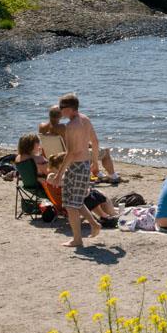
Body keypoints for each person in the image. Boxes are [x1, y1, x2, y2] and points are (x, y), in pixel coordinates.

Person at [52, 93, 101, 247]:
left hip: (76, 166)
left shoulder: (71, 126)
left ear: (71, 109)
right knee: (76, 200)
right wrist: (95, 163)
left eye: (62, 108)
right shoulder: (85, 119)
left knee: (70, 204)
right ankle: (94, 224)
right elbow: (95, 141)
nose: (60, 111)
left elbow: (71, 153)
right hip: (85, 164)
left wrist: (59, 174)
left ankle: (77, 239)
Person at [39, 104, 120, 183]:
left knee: (88, 148)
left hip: (54, 157)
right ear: (61, 115)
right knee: (105, 152)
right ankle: (113, 176)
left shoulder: (42, 127)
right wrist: (91, 145)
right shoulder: (63, 128)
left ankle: (97, 172)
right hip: (70, 157)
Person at [46, 153, 118, 221]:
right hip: (68, 205)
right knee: (93, 196)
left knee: (95, 194)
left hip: (72, 201)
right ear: (61, 165)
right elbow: (64, 183)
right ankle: (108, 215)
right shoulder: (51, 176)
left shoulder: (63, 175)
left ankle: (110, 214)